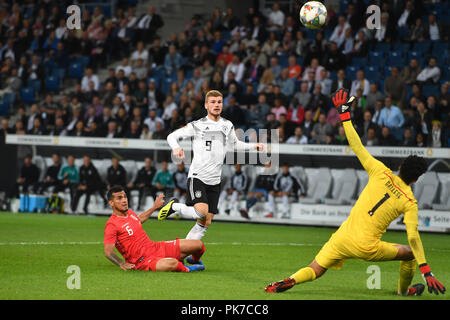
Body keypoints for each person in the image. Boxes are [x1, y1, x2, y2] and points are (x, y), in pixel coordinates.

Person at [265, 89, 446, 296]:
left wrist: (344, 116)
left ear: (401, 166)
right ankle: (404, 292)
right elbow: (413, 237)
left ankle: (290, 280)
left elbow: (356, 144)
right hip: (367, 247)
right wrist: (426, 270)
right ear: (416, 178)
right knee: (409, 254)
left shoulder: (380, 172)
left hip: (342, 237)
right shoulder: (409, 201)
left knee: (316, 268)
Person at [158, 90, 265, 240]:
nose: (216, 105)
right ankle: (174, 206)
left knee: (205, 221)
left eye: (219, 102)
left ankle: (189, 256)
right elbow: (171, 136)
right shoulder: (197, 125)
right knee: (201, 212)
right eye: (213, 102)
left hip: (215, 180)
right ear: (206, 105)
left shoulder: (227, 125)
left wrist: (254, 146)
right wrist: (176, 147)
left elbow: (235, 145)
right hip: (198, 177)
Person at [104, 186, 205, 272]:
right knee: (172, 263)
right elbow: (108, 251)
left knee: (198, 245)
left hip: (155, 247)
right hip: (142, 261)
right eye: (119, 198)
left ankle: (194, 260)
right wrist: (121, 263)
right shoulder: (112, 224)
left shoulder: (130, 213)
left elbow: (138, 219)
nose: (124, 200)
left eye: (125, 197)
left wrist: (154, 207)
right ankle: (187, 268)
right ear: (111, 203)